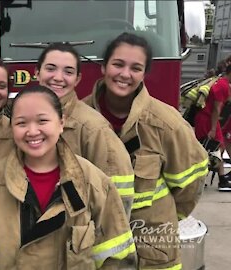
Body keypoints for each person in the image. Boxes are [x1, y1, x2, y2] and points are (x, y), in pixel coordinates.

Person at [0, 85, 135, 269]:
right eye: (21, 123)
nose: (32, 131)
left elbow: (118, 258)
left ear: (61, 123)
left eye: (42, 121)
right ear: (11, 128)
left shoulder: (91, 182)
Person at [83, 32, 208, 269]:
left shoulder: (168, 124)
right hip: (96, 249)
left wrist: (164, 218)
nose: (125, 74)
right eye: (118, 64)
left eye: (135, 68)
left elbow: (191, 184)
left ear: (144, 74)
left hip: (152, 250)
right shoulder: (79, 119)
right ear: (103, 67)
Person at [35, 43, 135, 218]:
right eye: (51, 68)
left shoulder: (93, 128)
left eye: (68, 72)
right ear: (37, 73)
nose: (58, 77)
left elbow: (118, 197)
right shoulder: (23, 120)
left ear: (77, 79)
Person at [194, 65, 231, 191]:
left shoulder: (219, 81)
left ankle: (220, 179)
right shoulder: (223, 86)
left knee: (215, 148)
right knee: (213, 148)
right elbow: (216, 109)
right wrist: (214, 128)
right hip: (208, 120)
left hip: (206, 119)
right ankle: (218, 180)